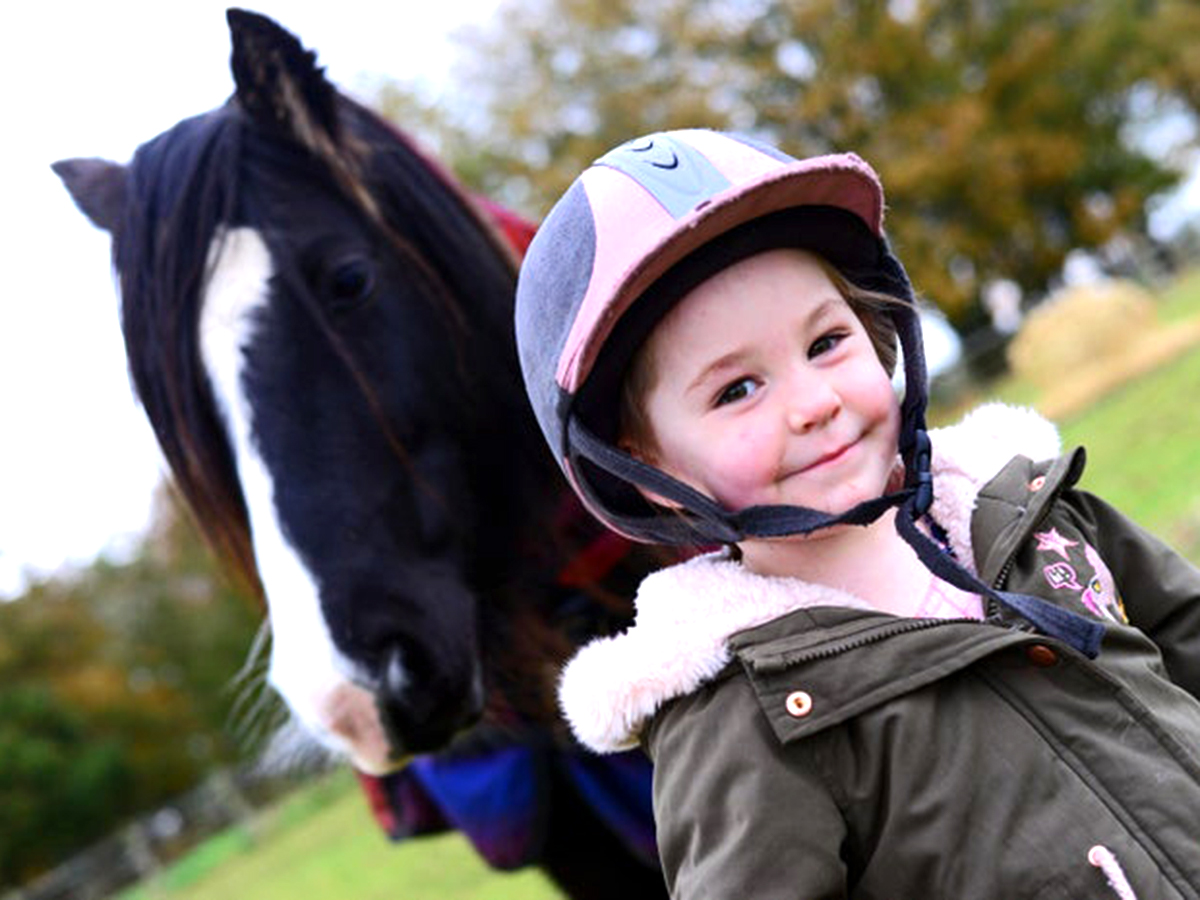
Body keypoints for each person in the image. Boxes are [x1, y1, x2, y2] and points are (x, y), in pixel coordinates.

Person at [514, 128, 1200, 899]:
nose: (815, 403)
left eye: (827, 341)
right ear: (650, 469)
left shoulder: (1033, 517)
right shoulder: (750, 722)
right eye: (737, 390)